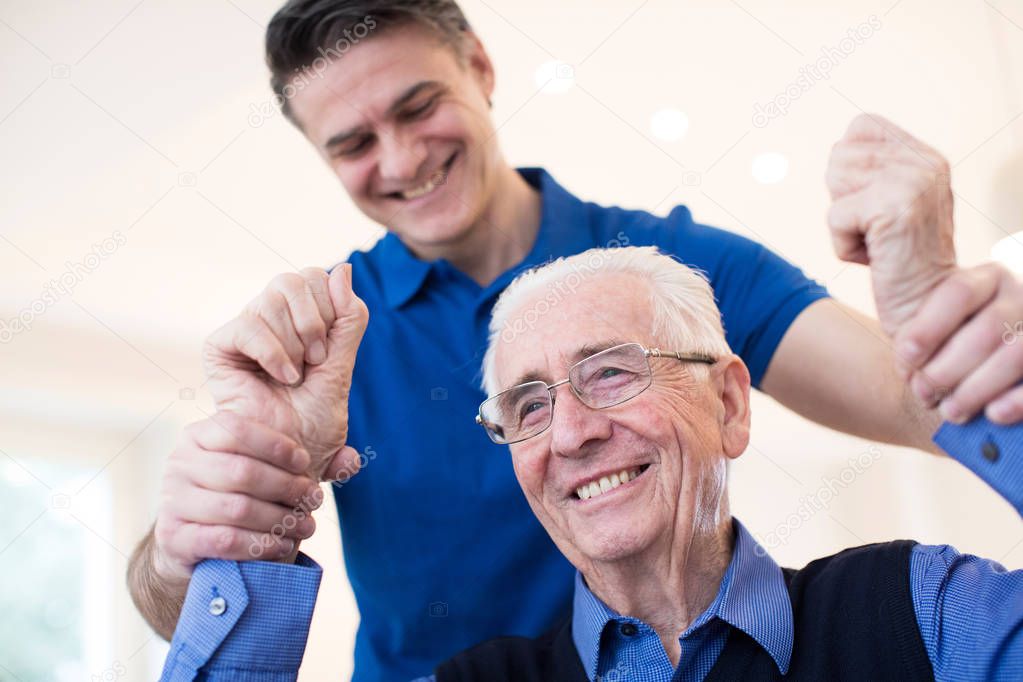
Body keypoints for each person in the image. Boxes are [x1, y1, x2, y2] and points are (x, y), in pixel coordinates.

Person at [127, 1, 1023, 679]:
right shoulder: (328, 344)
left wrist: (938, 315)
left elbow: (920, 403)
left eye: (417, 106)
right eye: (354, 142)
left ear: (479, 67)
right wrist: (192, 545)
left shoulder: (676, 269)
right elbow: (181, 602)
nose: (398, 162)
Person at [157, 247, 1021, 681]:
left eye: (609, 372)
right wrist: (261, 497)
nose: (569, 433)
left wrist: (1003, 394)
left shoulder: (921, 611)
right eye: (527, 405)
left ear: (727, 403)